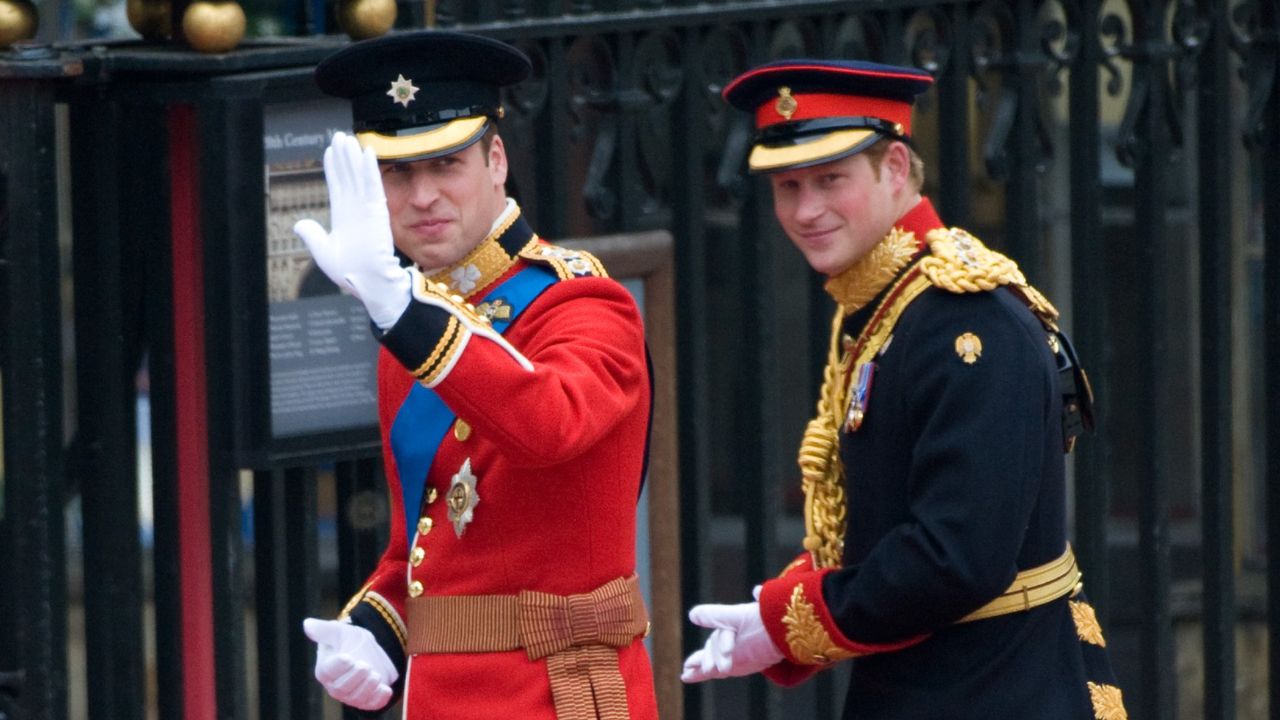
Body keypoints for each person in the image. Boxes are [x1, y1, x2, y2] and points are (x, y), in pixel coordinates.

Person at [680, 59, 1128, 720]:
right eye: (787, 186)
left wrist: (788, 621)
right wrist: (787, 616)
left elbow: (955, 559)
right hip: (923, 682)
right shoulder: (879, 301)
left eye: (831, 180)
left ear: (894, 167)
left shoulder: (964, 318)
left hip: (1002, 688)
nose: (806, 210)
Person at [294, 30, 659, 720]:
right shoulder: (414, 318)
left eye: (446, 163)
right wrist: (376, 627)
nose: (423, 195)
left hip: (560, 694)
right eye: (396, 172)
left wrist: (402, 312)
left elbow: (550, 424)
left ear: (496, 160)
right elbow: (428, 547)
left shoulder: (581, 302)